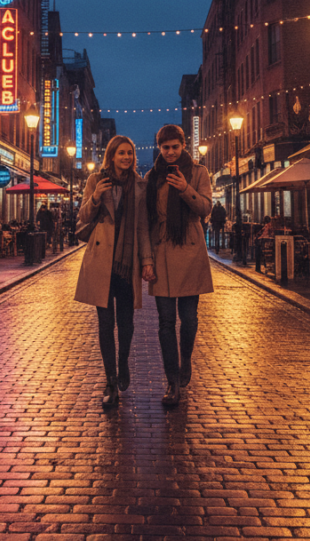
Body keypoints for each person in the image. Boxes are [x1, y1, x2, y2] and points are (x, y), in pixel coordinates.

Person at [74, 135, 153, 410]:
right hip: (102, 261)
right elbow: (83, 217)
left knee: (127, 323)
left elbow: (142, 227)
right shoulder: (96, 180)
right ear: (111, 155)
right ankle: (110, 380)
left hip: (127, 263)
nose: (127, 157)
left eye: (130, 153)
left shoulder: (139, 186)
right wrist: (95, 197)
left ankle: (122, 364)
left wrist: (147, 260)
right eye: (122, 153)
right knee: (106, 324)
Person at [145, 124, 213, 407]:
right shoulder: (152, 177)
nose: (170, 152)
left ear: (184, 145)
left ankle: (186, 361)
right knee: (165, 323)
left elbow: (205, 208)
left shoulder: (198, 172)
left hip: (190, 249)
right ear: (159, 148)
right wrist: (146, 259)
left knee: (190, 319)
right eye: (165, 148)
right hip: (161, 251)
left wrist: (186, 189)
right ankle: (172, 380)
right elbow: (146, 222)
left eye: (175, 146)